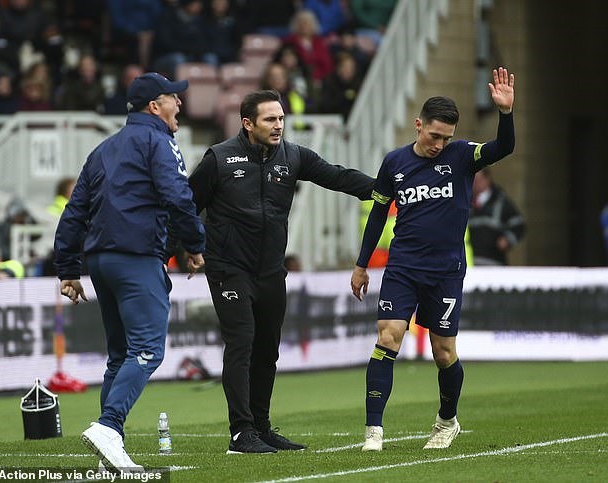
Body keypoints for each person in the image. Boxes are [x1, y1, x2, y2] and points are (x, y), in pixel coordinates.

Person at [187, 89, 373, 454]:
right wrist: (181, 250)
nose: (278, 125)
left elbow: (336, 177)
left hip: (271, 270)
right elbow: (186, 206)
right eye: (270, 119)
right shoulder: (219, 159)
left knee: (267, 350)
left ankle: (260, 427)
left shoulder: (293, 155)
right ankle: (241, 433)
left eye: (281, 118)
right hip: (229, 268)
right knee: (241, 343)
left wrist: (385, 188)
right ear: (247, 123)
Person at [351, 67, 515, 451]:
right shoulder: (394, 163)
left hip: (445, 271)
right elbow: (378, 214)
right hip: (403, 266)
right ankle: (373, 431)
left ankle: (446, 421)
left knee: (443, 352)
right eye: (433, 135)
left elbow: (503, 149)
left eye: (446, 137)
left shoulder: (461, 156)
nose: (439, 144)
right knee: (387, 337)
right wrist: (361, 265)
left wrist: (505, 114)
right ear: (417, 124)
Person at [53, 72, 206, 472]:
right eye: (174, 97)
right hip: (136, 257)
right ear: (155, 106)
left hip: (101, 261)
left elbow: (74, 212)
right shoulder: (160, 141)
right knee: (147, 349)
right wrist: (194, 243)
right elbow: (178, 196)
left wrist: (68, 267)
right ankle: (108, 427)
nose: (181, 104)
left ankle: (108, 448)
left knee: (120, 355)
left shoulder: (102, 149)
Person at [469, 167, 525, 265]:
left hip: (494, 264)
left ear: (487, 179)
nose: (475, 184)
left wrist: (507, 240)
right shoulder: (465, 202)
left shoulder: (501, 201)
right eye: (472, 180)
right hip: (471, 264)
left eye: (478, 180)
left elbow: (519, 225)